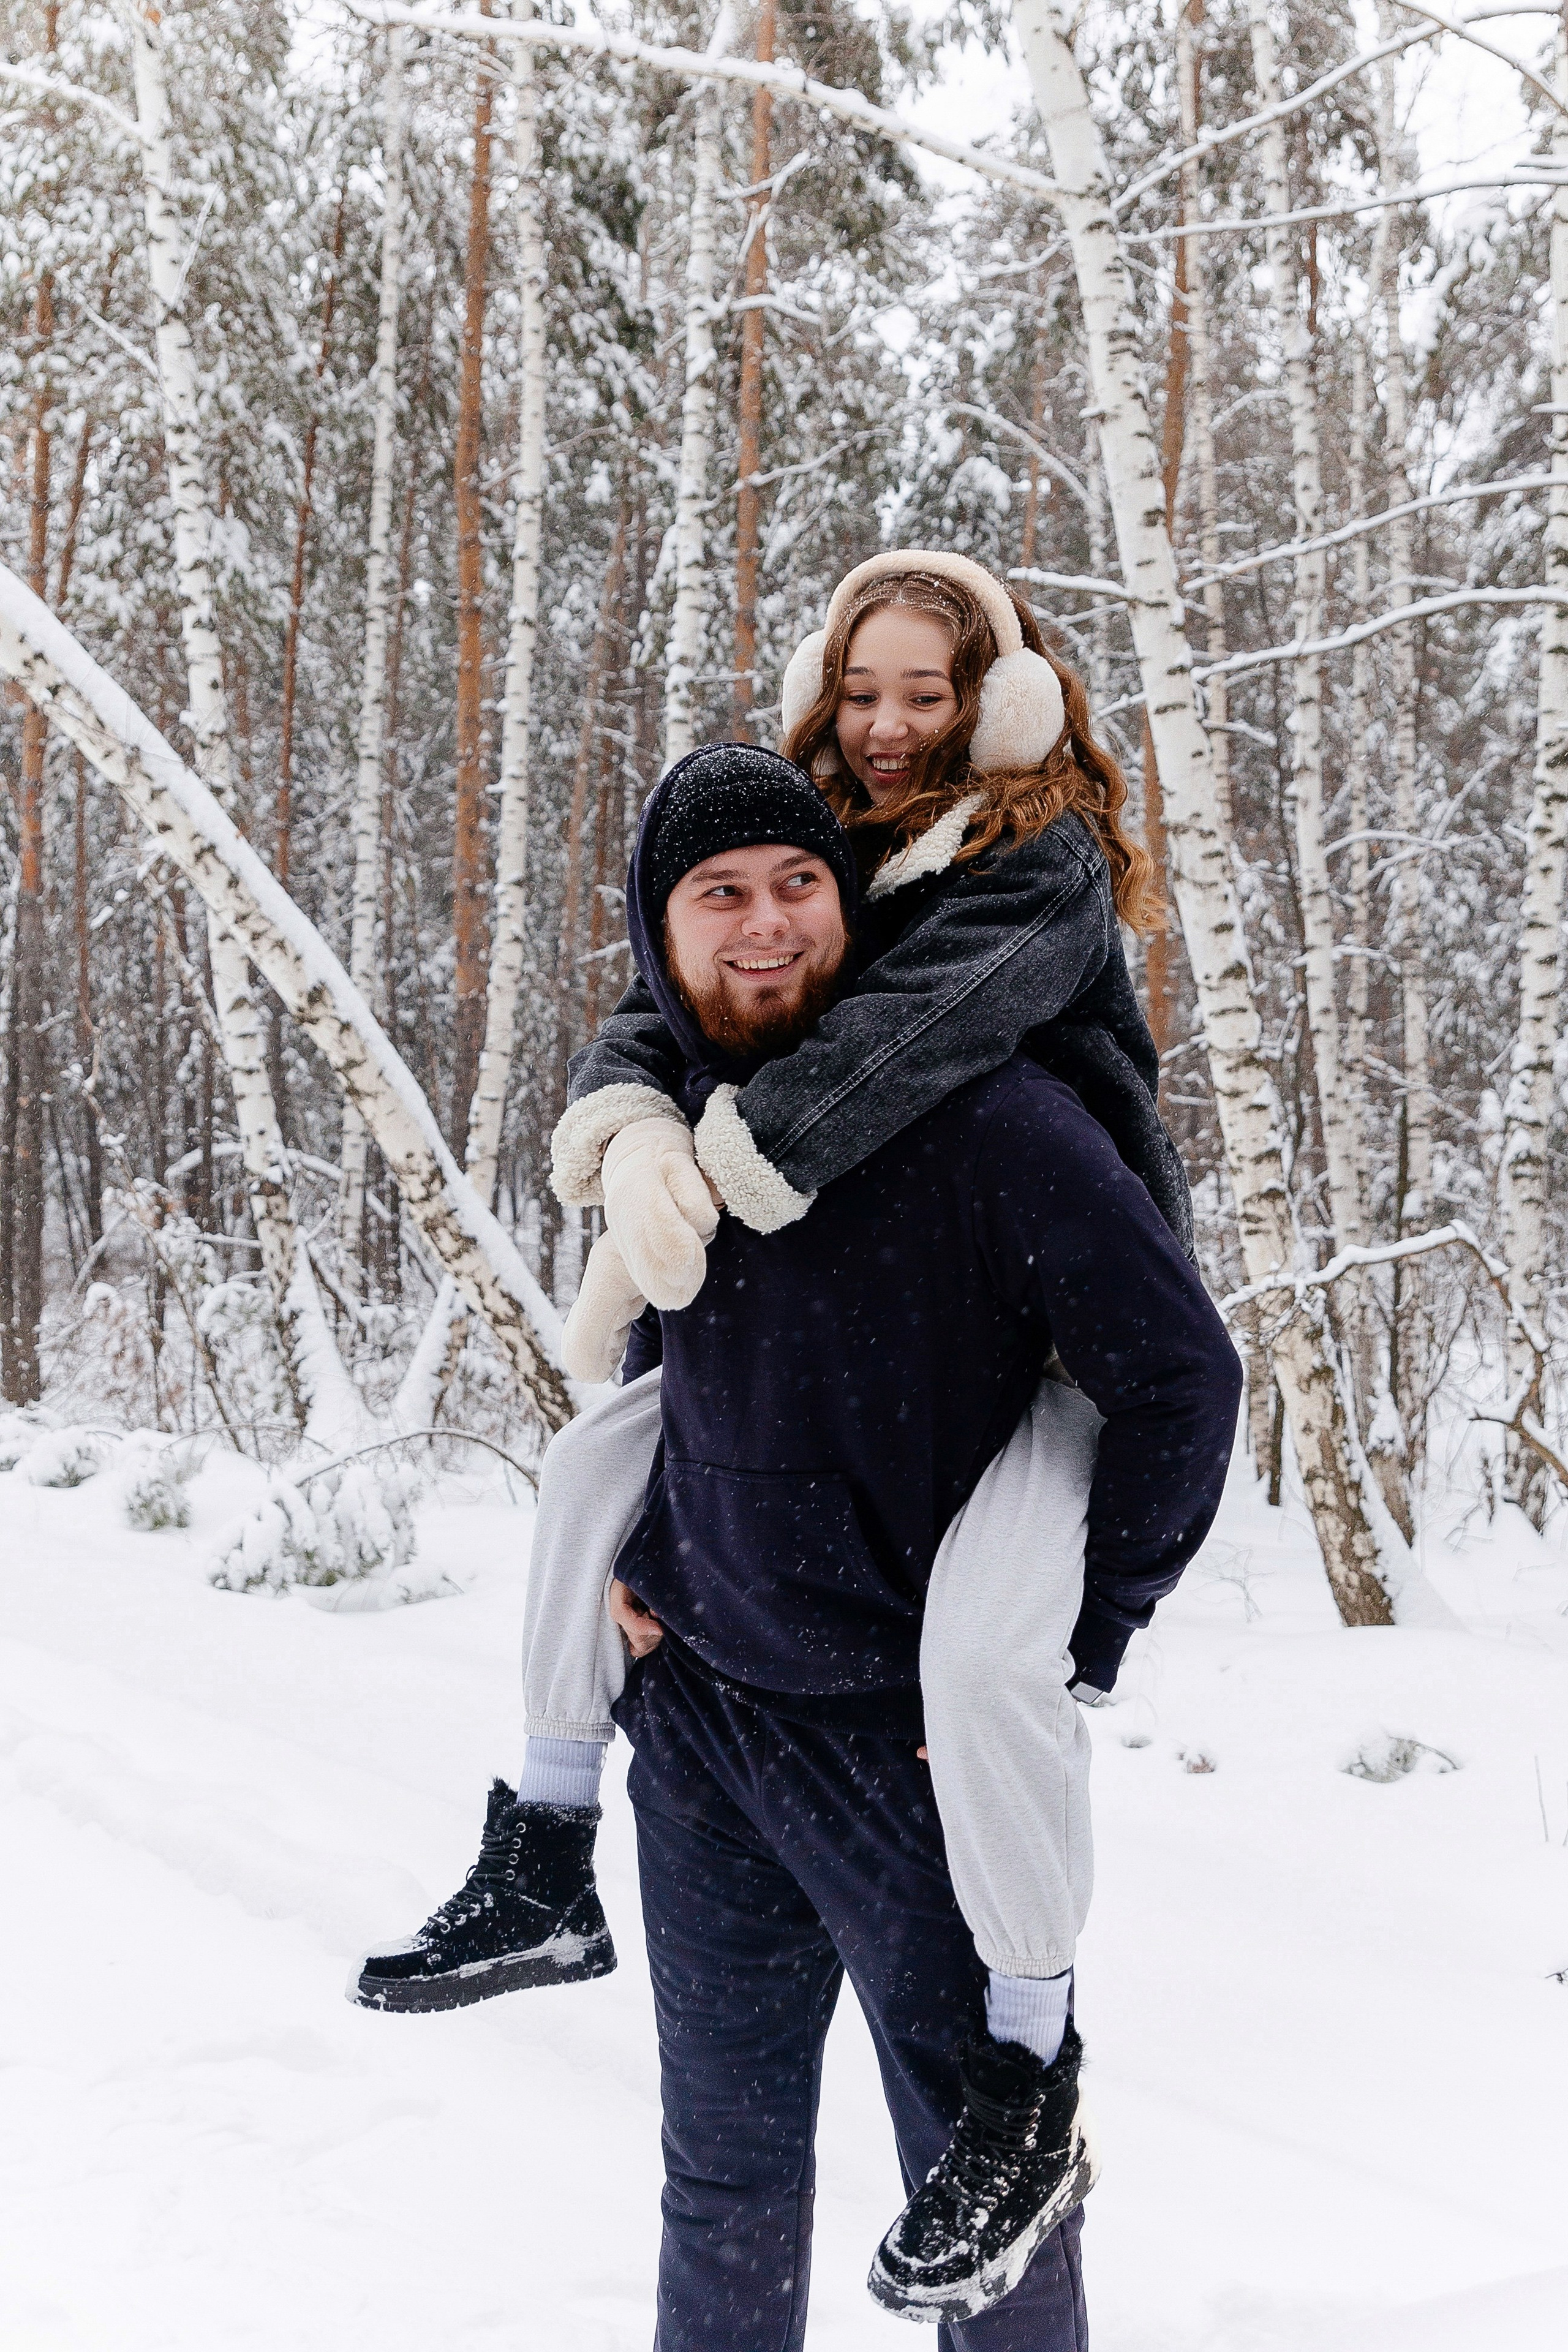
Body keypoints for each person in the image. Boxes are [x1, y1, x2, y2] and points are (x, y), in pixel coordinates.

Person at [354, 748, 1242, 2334]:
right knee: (726, 2188)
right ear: (658, 933)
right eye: (720, 896)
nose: (764, 927)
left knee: (990, 2244)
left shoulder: (999, 1125)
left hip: (907, 1782)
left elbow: (1182, 1384)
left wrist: (1076, 1640)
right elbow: (676, 1342)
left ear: (852, 904)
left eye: (799, 885)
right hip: (700, 1739)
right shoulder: (688, 1122)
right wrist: (649, 1561)